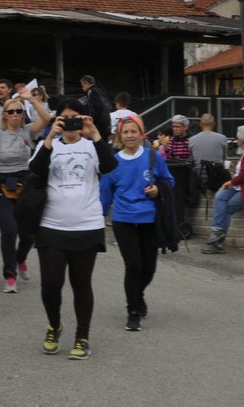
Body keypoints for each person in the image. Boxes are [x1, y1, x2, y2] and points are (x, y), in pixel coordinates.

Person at [31, 99, 114, 360]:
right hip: (52, 225)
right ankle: (54, 326)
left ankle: (82, 337)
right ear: (58, 120)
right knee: (51, 284)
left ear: (84, 120)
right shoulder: (49, 145)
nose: (71, 124)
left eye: (76, 118)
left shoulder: (92, 146)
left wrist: (96, 134)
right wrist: (50, 136)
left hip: (86, 225)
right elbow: (35, 169)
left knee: (81, 284)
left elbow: (110, 167)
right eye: (65, 119)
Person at [100, 118, 174, 332]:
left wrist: (158, 190)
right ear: (119, 136)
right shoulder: (113, 162)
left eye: (134, 131)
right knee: (133, 265)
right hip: (124, 220)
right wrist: (97, 220)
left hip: (149, 219)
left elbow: (169, 181)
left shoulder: (153, 157)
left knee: (148, 268)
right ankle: (133, 311)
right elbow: (105, 193)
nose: (130, 135)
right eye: (126, 132)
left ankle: (138, 294)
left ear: (142, 134)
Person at [0, 80, 49, 292]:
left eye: (18, 111)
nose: (16, 114)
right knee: (9, 230)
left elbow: (46, 118)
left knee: (29, 233)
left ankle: (20, 258)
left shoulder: (28, 131)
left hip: (25, 182)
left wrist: (30, 99)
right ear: (5, 115)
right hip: (2, 184)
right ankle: (10, 275)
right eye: (12, 112)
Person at [202, 125, 244, 255]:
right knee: (220, 197)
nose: (236, 140)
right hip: (242, 187)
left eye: (237, 138)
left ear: (242, 140)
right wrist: (233, 171)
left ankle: (217, 242)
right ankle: (216, 241)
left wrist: (228, 183)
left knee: (226, 207)